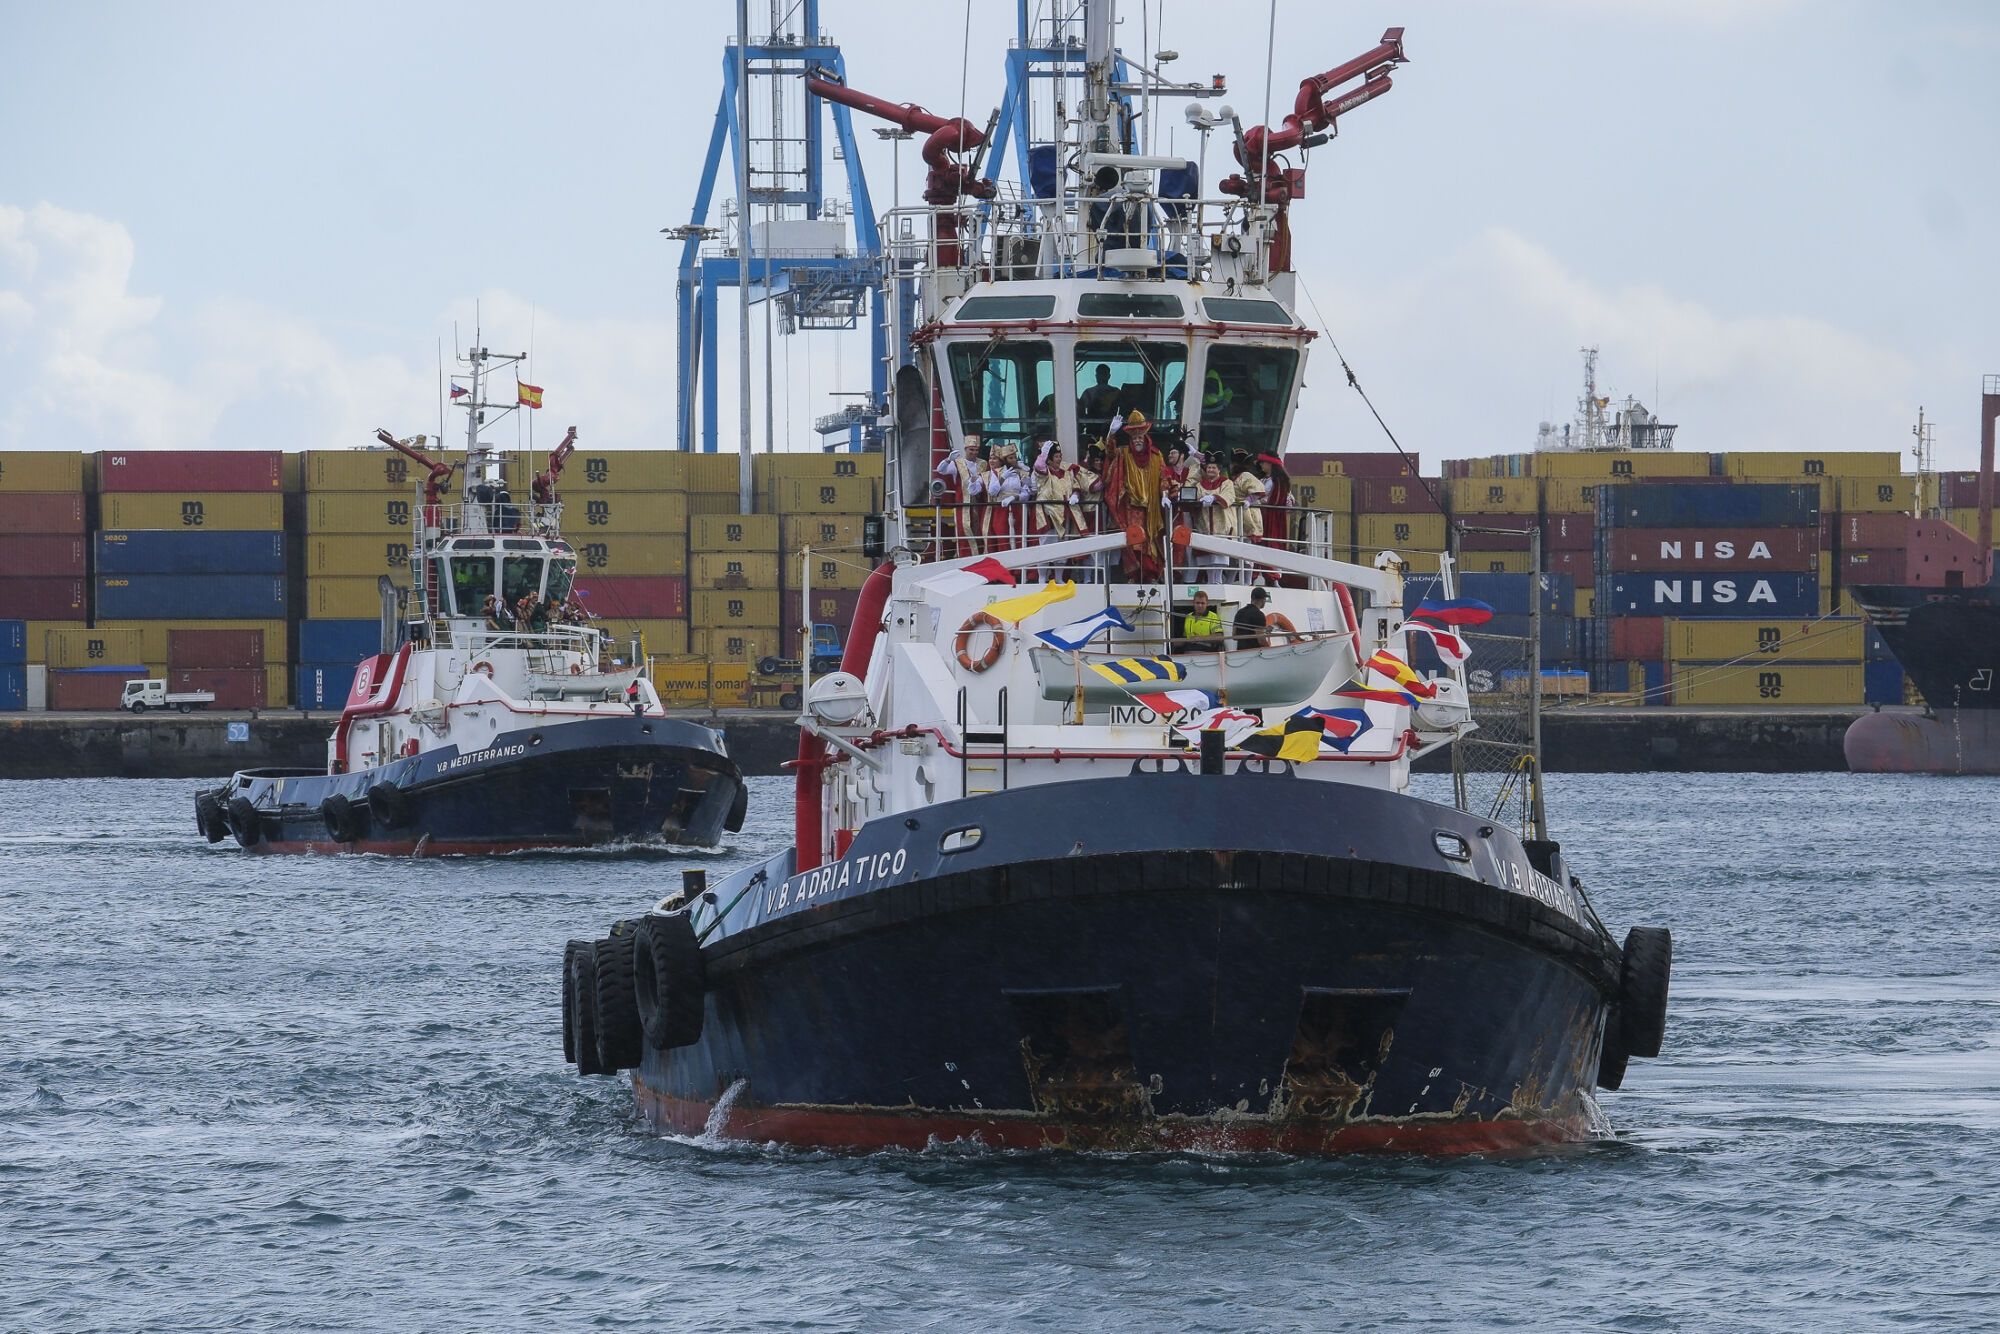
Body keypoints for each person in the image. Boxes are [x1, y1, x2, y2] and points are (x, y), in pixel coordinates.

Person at [1102, 410, 1167, 581]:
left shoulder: (1156, 455)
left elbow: (1164, 476)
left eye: (1140, 437)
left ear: (1145, 437)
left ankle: (1151, 575)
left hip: (1152, 506)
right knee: (1133, 541)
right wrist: (1111, 433)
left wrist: (1166, 494)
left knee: (1151, 541)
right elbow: (1109, 454)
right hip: (1131, 507)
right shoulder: (1124, 454)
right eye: (1134, 438)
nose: (1137, 440)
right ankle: (1134, 575)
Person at [935, 435, 985, 557]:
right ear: (965, 449)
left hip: (980, 504)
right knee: (963, 531)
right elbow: (940, 470)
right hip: (963, 504)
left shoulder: (983, 464)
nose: (974, 452)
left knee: (980, 531)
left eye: (976, 450)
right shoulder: (958, 463)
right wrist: (948, 459)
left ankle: (979, 558)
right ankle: (964, 558)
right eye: (971, 450)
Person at [1192, 458, 1238, 583]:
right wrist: (1200, 499)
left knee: (1219, 556)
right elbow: (1195, 497)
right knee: (1207, 557)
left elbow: (1229, 497)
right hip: (1205, 524)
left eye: (1213, 467)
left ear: (1219, 470)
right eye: (1209, 468)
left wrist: (1214, 497)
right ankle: (1212, 581)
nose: (1210, 470)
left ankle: (1217, 582)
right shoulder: (1199, 485)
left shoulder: (1226, 483)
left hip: (1222, 524)